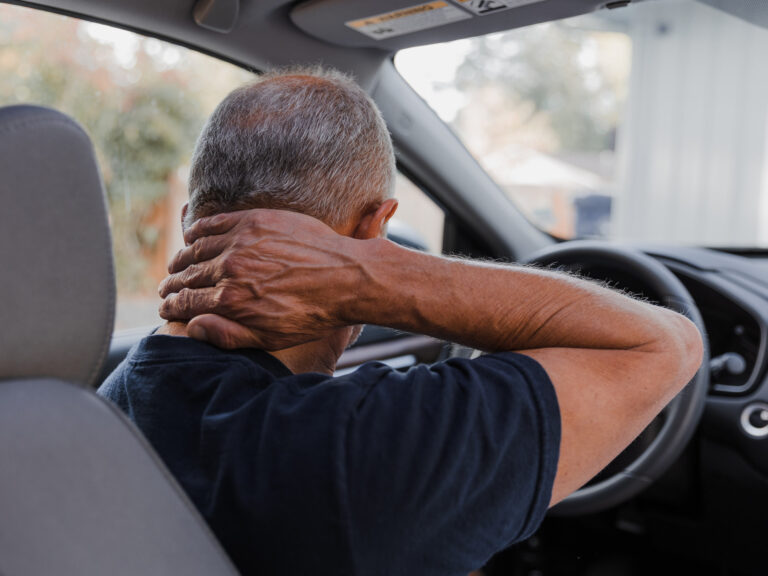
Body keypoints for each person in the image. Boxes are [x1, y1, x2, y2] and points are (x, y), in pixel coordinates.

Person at [99, 67, 703, 576]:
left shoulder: (94, 412)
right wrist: (362, 276)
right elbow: (666, 346)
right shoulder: (364, 450)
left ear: (189, 221)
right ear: (374, 228)